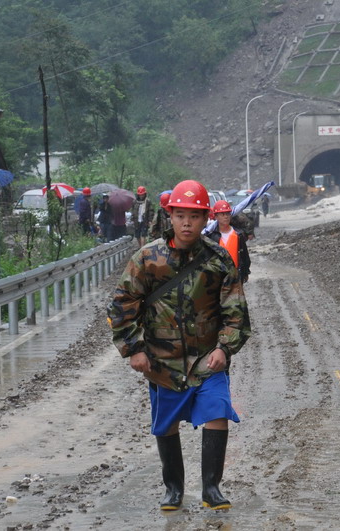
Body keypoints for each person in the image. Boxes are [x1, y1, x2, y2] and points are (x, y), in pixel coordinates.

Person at [107, 179, 251, 512]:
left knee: (217, 412)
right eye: (181, 215)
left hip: (206, 359)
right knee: (166, 423)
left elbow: (235, 312)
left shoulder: (218, 261)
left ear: (206, 220)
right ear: (170, 216)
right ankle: (173, 489)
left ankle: (211, 488)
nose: (187, 223)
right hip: (162, 361)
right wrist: (134, 348)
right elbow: (123, 303)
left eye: (195, 216)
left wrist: (224, 348)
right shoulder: (147, 258)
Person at [207, 200, 250, 284]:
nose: (226, 217)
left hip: (236, 276)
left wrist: (246, 272)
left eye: (227, 214)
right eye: (222, 214)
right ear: (216, 216)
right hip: (218, 278)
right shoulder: (212, 237)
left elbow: (244, 255)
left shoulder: (238, 235)